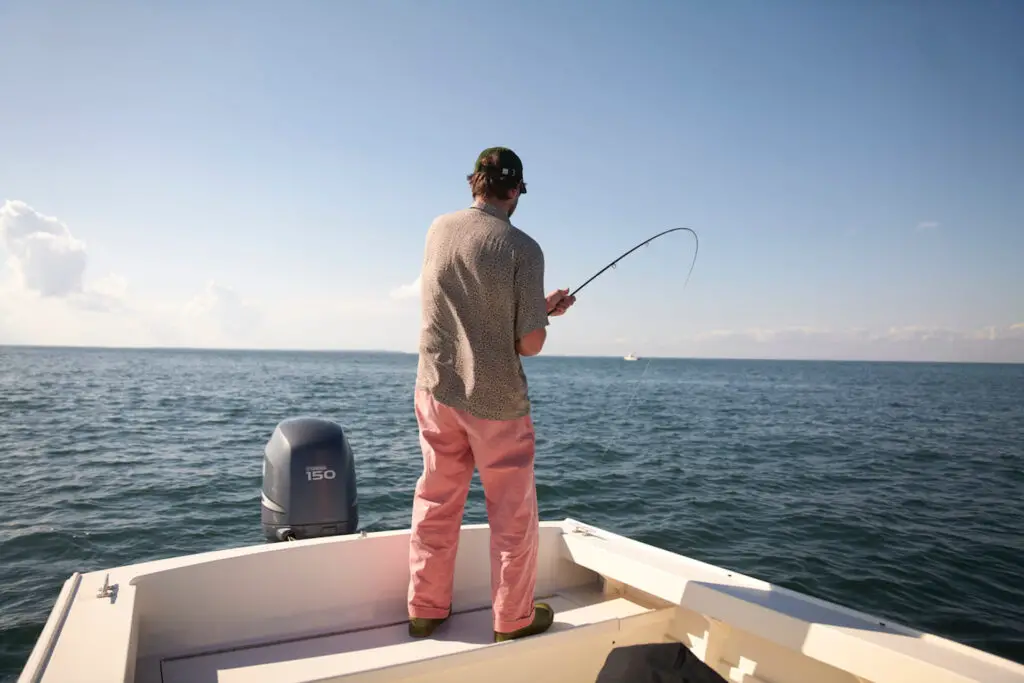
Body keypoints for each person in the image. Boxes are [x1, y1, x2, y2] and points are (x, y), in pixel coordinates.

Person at [407, 146, 575, 642]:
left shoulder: (438, 228)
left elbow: (469, 301)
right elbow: (529, 343)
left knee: (436, 502)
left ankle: (425, 609)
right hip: (497, 402)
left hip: (436, 389)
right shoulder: (524, 249)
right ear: (516, 190)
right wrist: (544, 314)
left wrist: (534, 308)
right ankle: (512, 620)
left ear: (473, 183)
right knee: (511, 516)